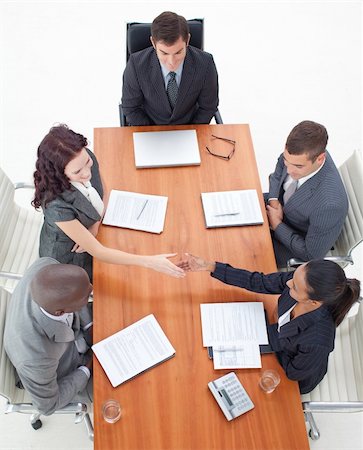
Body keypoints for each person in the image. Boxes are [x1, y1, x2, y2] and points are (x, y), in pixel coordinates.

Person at [178, 254, 360, 394]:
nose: (287, 283)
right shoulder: (301, 280)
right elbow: (259, 282)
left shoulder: (317, 341)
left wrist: (264, 339)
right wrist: (210, 266)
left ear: (313, 302)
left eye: (295, 287)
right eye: (294, 276)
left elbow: (294, 373)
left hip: (291, 379)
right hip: (276, 339)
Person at [32, 124, 184, 281]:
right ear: (58, 173)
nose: (87, 173)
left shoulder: (84, 158)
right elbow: (98, 251)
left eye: (87, 163)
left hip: (92, 236)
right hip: (68, 256)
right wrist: (150, 262)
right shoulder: (56, 205)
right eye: (77, 172)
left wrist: (94, 227)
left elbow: (103, 192)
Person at [4, 258, 94, 415]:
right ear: (60, 312)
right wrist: (88, 367)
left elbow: (76, 290)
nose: (92, 289)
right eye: (87, 296)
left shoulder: (45, 265)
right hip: (67, 371)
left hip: (75, 336)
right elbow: (48, 406)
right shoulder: (35, 359)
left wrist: (90, 327)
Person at [265, 120, 348, 268]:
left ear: (320, 159)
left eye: (298, 166)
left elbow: (310, 255)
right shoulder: (299, 152)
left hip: (292, 240)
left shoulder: (329, 205)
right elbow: (278, 171)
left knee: (239, 250)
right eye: (287, 161)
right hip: (280, 207)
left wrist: (276, 224)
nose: (289, 171)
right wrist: (273, 201)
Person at [121, 11, 219, 126]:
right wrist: (152, 134)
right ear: (153, 43)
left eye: (178, 52)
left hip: (190, 128)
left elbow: (208, 107)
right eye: (164, 53)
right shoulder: (136, 65)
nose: (172, 62)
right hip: (151, 130)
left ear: (187, 40)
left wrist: (191, 133)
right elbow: (131, 108)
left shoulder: (205, 63)